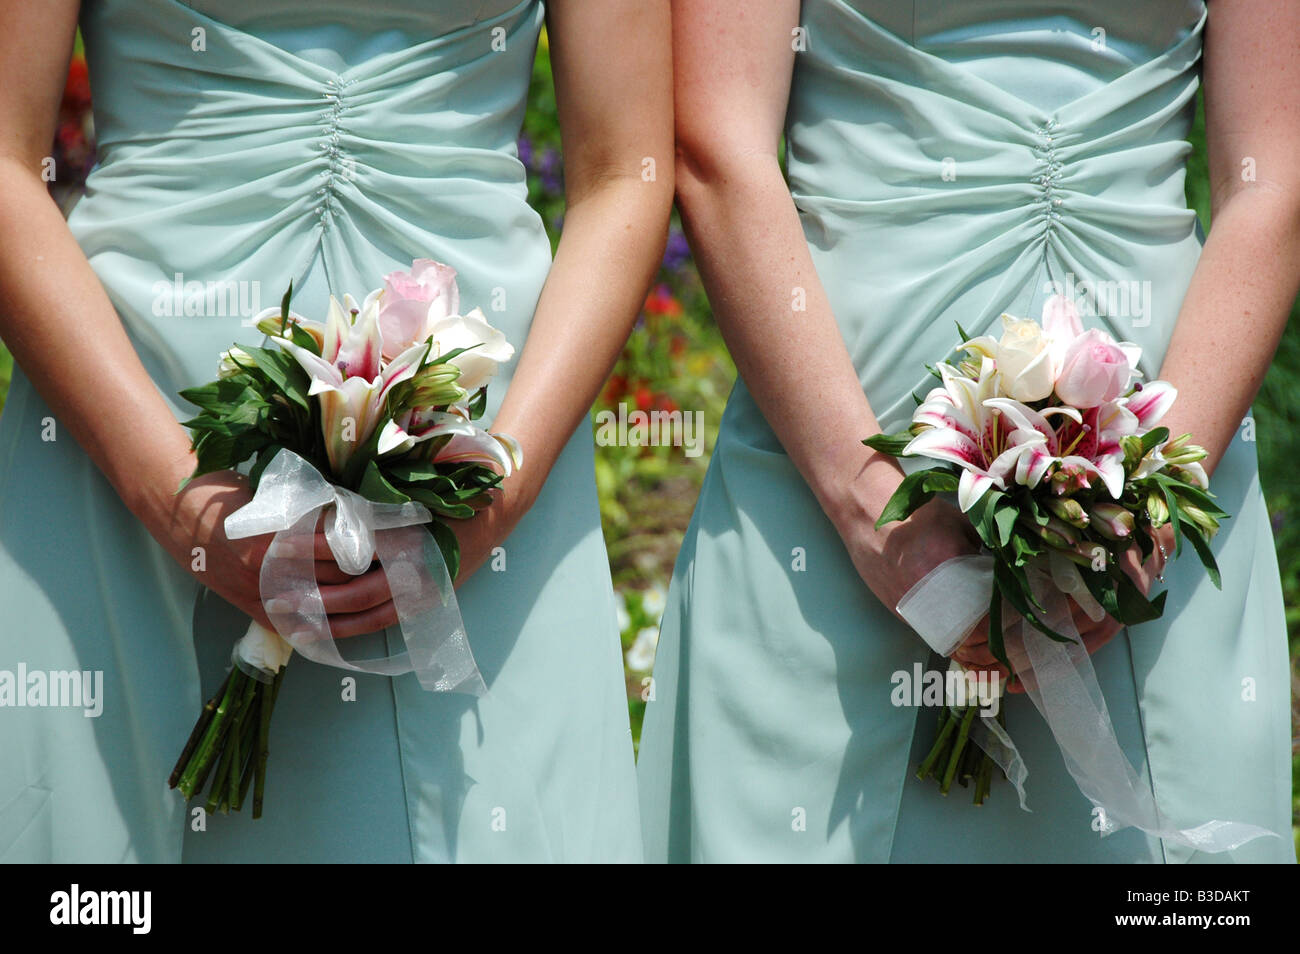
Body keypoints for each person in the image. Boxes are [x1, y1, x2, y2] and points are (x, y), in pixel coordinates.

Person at [0, 0, 672, 862]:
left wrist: (499, 487)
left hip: (481, 475)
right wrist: (183, 508)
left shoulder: (493, 493)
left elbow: (628, 167)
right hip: (117, 452)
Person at [638, 0, 1297, 862]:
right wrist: (873, 510)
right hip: (827, 476)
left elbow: (1273, 175)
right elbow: (716, 143)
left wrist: (1153, 495)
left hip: (1157, 475)